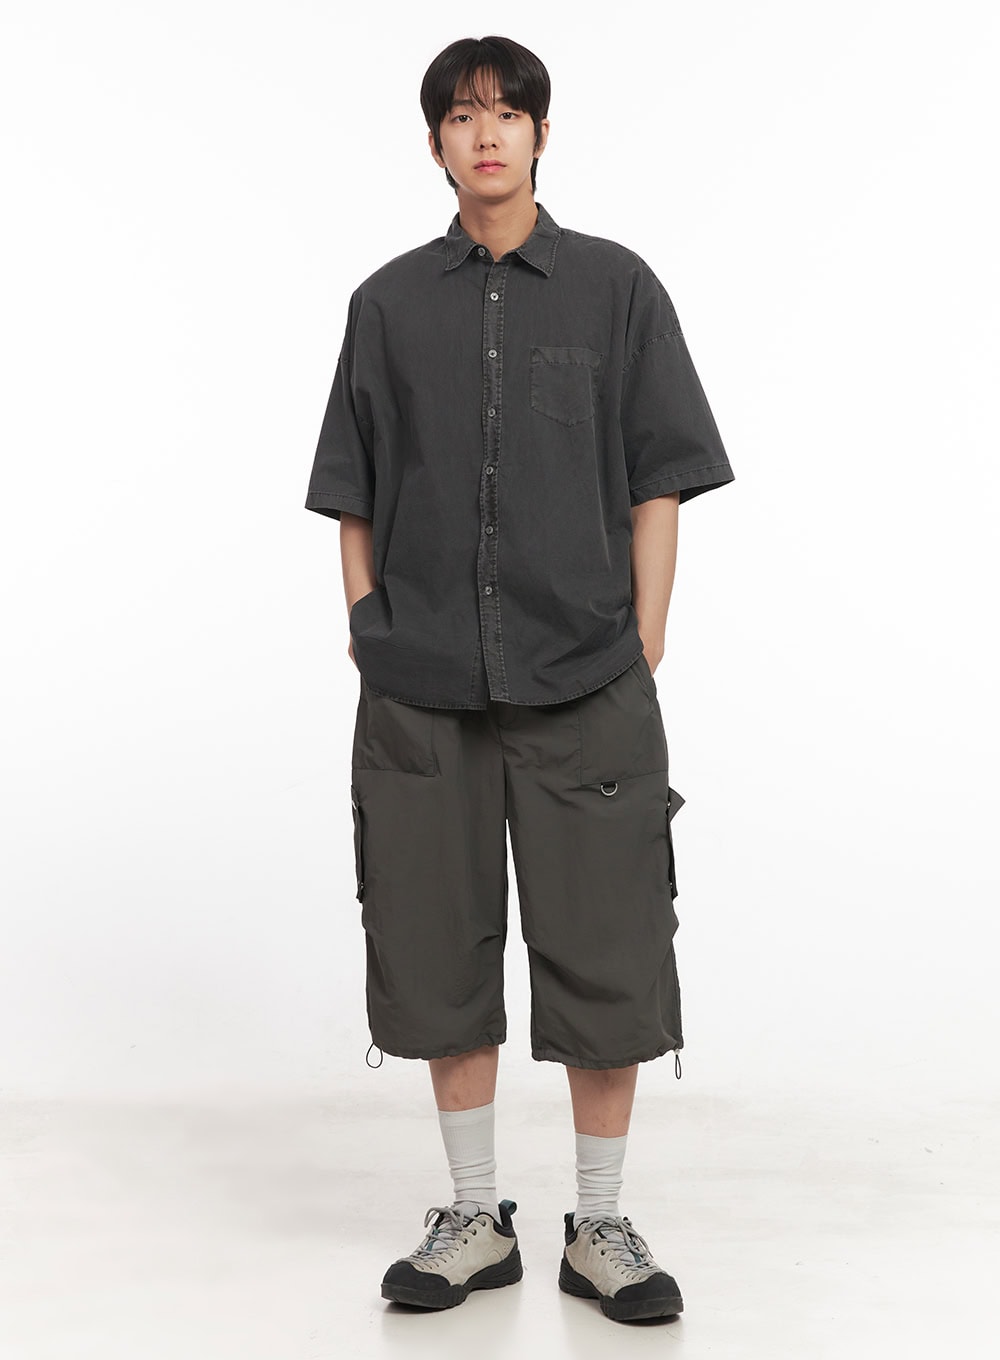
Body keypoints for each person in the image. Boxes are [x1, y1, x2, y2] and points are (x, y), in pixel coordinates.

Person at [304, 34, 734, 1324]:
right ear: (434, 143)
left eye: (507, 112)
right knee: (436, 944)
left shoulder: (615, 288)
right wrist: (368, 622)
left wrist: (645, 631)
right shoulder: (387, 304)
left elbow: (659, 474)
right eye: (461, 115)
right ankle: (476, 1218)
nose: (485, 133)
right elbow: (353, 486)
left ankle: (599, 1226)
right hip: (423, 681)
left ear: (543, 134)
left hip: (588, 675)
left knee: (608, 949)